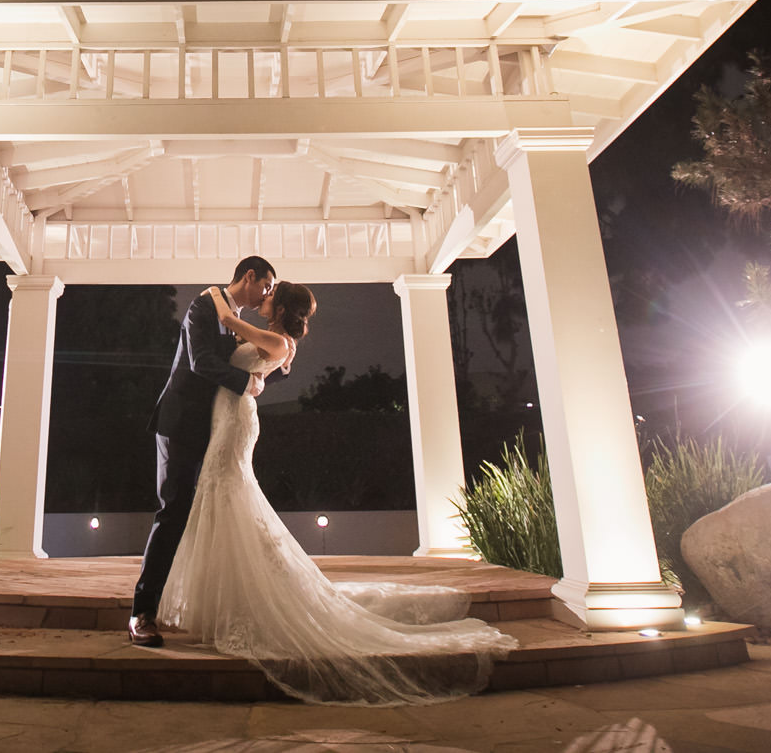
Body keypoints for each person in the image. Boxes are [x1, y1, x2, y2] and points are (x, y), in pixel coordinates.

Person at [158, 280, 521, 705]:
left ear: (281, 304)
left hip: (236, 421)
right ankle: (228, 596)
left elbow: (225, 318)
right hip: (226, 413)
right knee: (222, 494)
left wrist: (215, 290)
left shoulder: (279, 340)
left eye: (271, 291)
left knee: (229, 491)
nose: (265, 295)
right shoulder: (273, 339)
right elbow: (233, 355)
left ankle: (251, 597)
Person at [129, 256, 283, 647]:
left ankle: (203, 607)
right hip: (181, 423)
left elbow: (271, 353)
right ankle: (142, 613)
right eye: (265, 286)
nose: (266, 295)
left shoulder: (226, 311)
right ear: (249, 276)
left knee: (210, 514)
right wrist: (246, 382)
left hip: (216, 429)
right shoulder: (204, 306)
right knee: (174, 511)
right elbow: (200, 361)